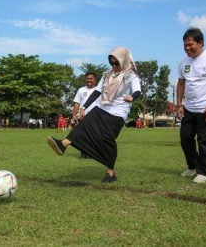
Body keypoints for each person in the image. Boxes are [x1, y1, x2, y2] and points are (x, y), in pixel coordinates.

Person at [47, 47, 141, 183]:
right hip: (103, 107)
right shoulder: (107, 75)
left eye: (117, 63)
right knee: (86, 123)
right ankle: (63, 144)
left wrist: (132, 97)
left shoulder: (131, 75)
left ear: (124, 61)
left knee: (107, 140)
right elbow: (97, 92)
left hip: (119, 113)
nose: (114, 66)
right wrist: (84, 107)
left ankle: (110, 173)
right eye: (112, 63)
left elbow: (138, 91)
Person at [176, 27, 206, 184]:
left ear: (200, 42)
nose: (187, 48)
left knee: (204, 141)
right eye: (185, 45)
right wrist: (179, 105)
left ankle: (202, 173)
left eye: (190, 44)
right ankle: (192, 167)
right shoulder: (183, 61)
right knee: (185, 139)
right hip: (189, 108)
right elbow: (181, 83)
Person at [71, 72, 98, 158]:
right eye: (87, 78)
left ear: (95, 80)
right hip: (83, 116)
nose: (89, 80)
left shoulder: (98, 90)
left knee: (93, 136)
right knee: (82, 135)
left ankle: (91, 153)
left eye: (91, 78)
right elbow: (77, 104)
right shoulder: (81, 90)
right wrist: (74, 115)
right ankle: (83, 153)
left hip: (95, 116)